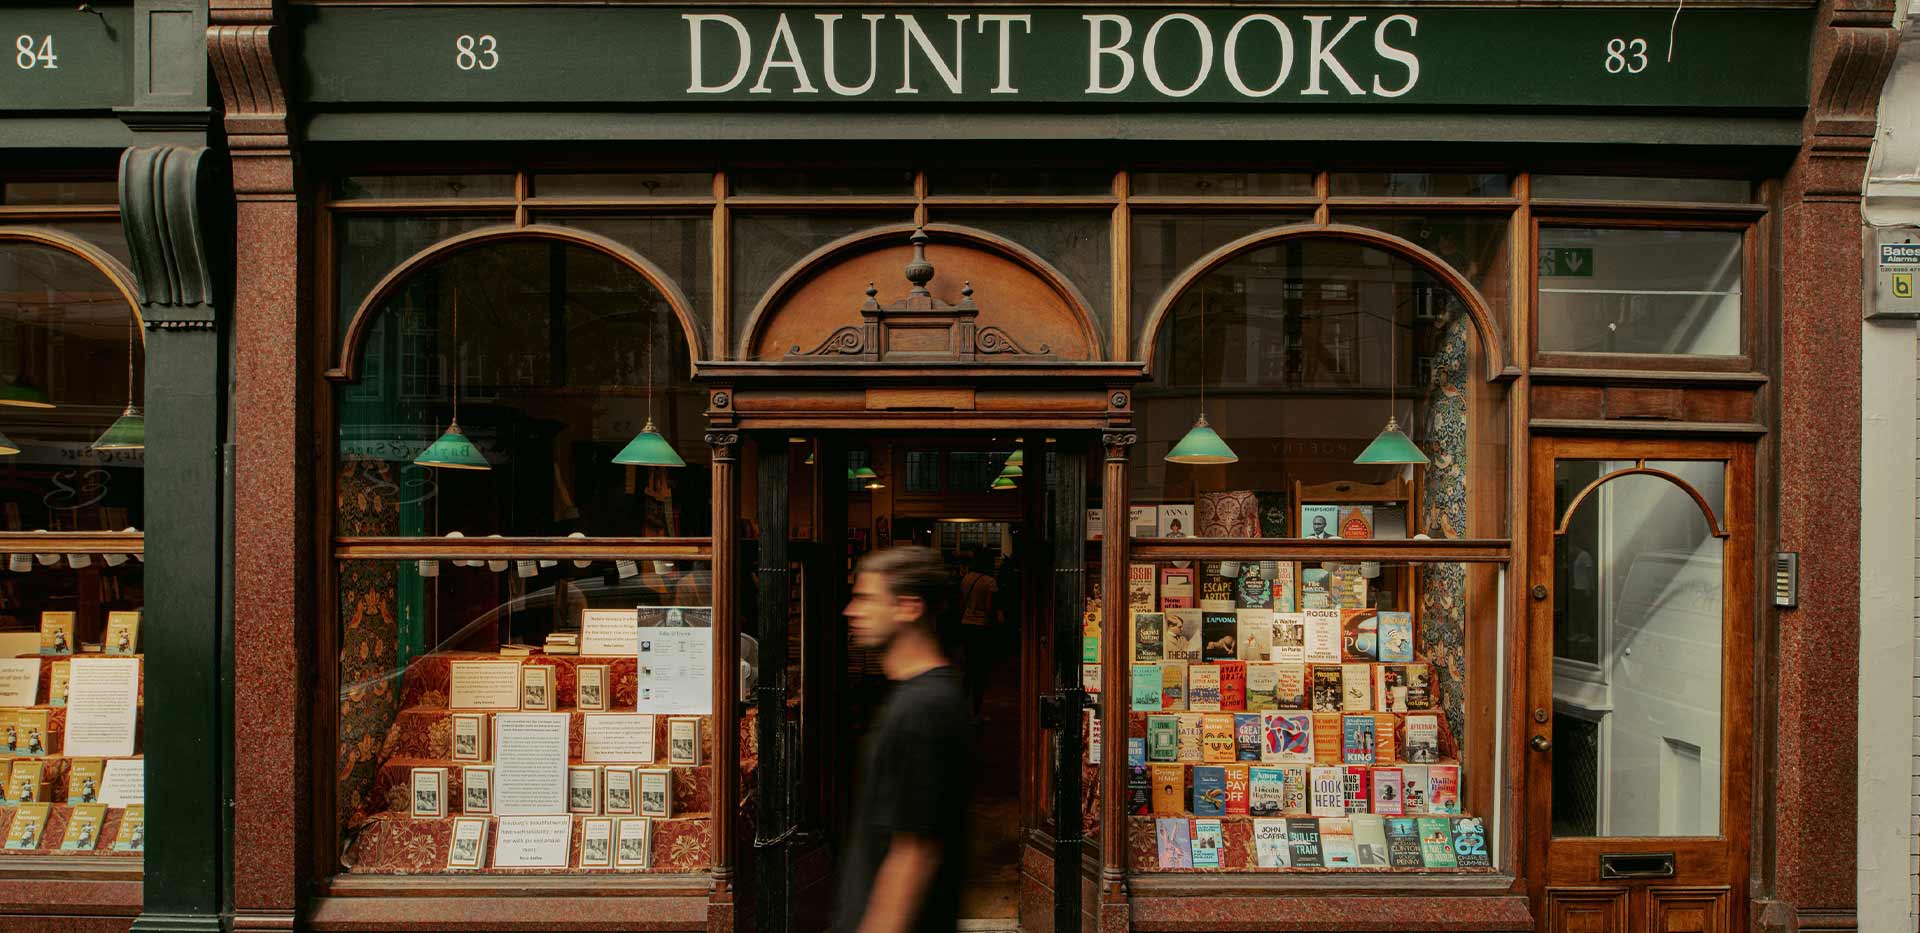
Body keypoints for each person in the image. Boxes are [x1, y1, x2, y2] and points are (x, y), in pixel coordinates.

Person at [835, 546, 970, 933]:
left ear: (908, 608)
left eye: (866, 598)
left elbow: (913, 851)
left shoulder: (924, 708)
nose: (851, 611)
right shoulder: (914, 697)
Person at [957, 549, 1000, 722]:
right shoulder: (990, 582)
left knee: (968, 667)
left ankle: (961, 709)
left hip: (966, 624)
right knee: (980, 670)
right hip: (982, 627)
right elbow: (990, 607)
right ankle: (977, 711)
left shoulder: (966, 578)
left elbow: (961, 603)